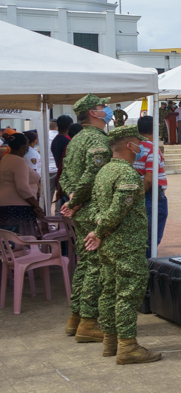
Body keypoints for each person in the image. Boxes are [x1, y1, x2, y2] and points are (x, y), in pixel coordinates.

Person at [86, 125, 162, 365]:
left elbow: (96, 208)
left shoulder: (104, 171)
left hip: (109, 245)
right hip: (126, 244)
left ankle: (111, 342)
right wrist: (99, 231)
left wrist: (99, 229)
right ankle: (128, 346)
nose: (141, 147)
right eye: (138, 143)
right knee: (128, 294)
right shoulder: (127, 174)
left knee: (108, 291)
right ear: (130, 146)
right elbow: (119, 209)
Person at [59, 94, 114, 343]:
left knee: (84, 263)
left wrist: (72, 198)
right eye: (103, 107)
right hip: (92, 209)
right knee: (96, 266)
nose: (108, 110)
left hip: (81, 209)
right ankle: (89, 323)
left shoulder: (76, 139)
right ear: (93, 112)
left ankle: (76, 318)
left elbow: (64, 176)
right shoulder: (96, 138)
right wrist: (77, 200)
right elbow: (93, 174)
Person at [133, 116, 167, 258]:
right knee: (151, 238)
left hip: (137, 192)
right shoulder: (151, 149)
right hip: (149, 195)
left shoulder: (132, 146)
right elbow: (149, 179)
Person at [0, 133, 44, 235]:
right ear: (23, 146)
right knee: (22, 241)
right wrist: (36, 205)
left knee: (9, 242)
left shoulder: (5, 159)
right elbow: (22, 188)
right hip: (18, 208)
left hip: (6, 206)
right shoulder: (19, 162)